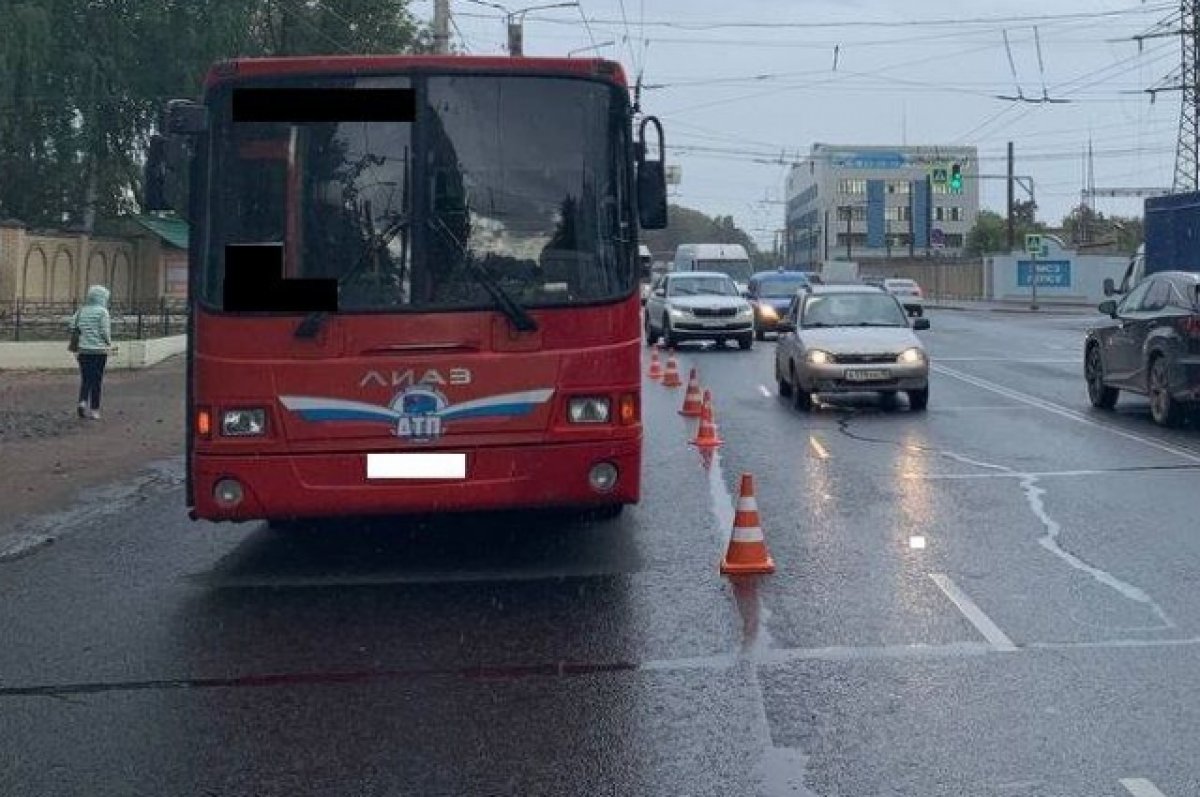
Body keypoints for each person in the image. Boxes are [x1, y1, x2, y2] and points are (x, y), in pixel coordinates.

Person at [69, 285, 114, 420]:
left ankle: (82, 402)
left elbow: (72, 325)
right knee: (97, 380)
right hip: (99, 352)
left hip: (83, 351)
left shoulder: (81, 311)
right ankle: (94, 410)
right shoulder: (102, 312)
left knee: (86, 378)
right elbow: (105, 332)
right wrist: (109, 343)